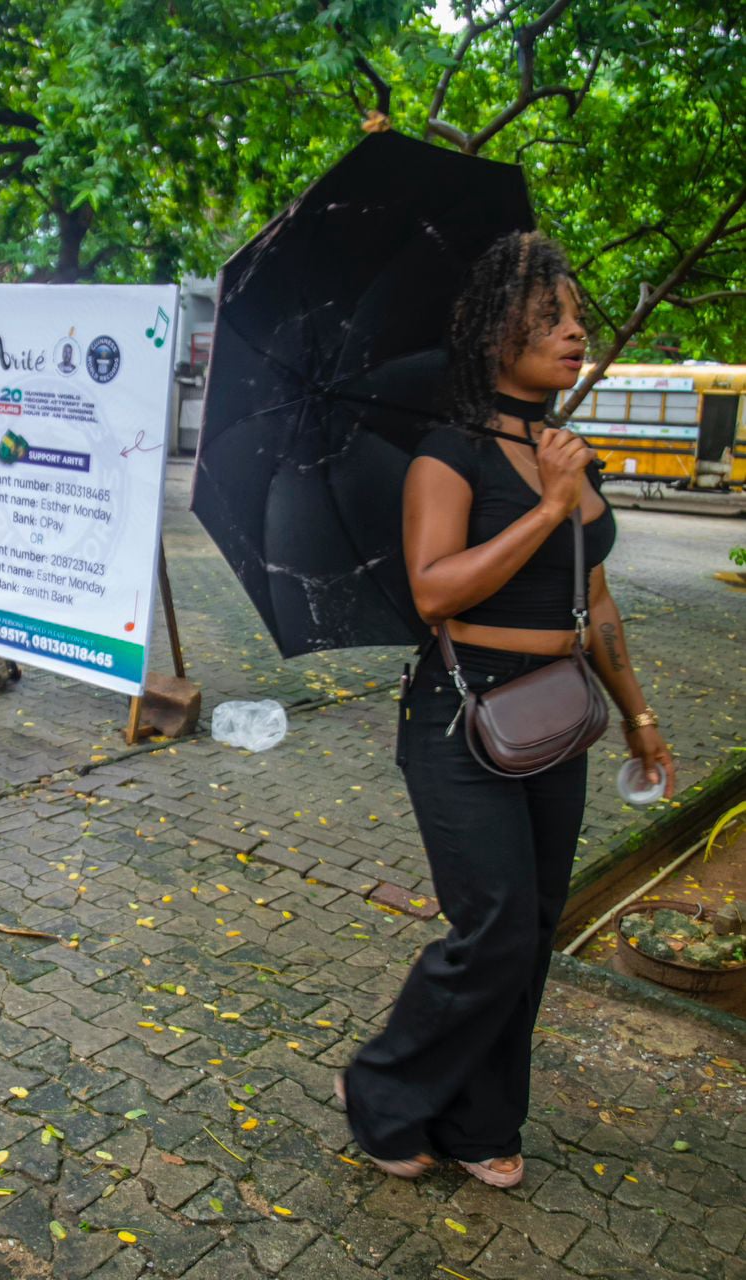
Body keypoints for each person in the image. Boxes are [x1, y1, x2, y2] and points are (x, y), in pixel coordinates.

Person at [337, 230, 675, 1189]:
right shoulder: (448, 454)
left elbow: (596, 600)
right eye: (550, 318)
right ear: (495, 336)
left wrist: (643, 719)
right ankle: (382, 1092)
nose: (574, 333)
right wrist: (547, 503)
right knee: (491, 929)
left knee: (533, 931)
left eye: (576, 316)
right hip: (459, 718)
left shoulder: (572, 454)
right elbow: (436, 589)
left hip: (557, 713)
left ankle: (482, 1120)